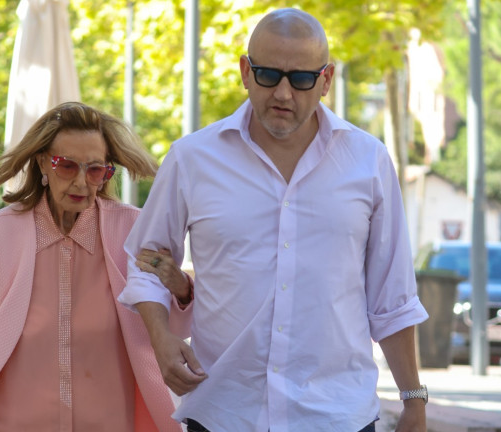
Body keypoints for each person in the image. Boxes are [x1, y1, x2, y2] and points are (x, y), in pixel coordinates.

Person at [118, 8, 429, 432]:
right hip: (224, 413)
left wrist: (413, 401)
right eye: (268, 74)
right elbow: (145, 264)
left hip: (338, 415)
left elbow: (392, 298)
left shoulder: (368, 160)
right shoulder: (192, 159)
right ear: (245, 71)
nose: (283, 93)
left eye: (301, 79)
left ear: (326, 80)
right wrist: (161, 337)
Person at [0, 101, 193, 432]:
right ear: (42, 164)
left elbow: (174, 328)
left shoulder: (133, 232)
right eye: (67, 166)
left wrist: (181, 288)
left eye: (95, 169)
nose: (82, 182)